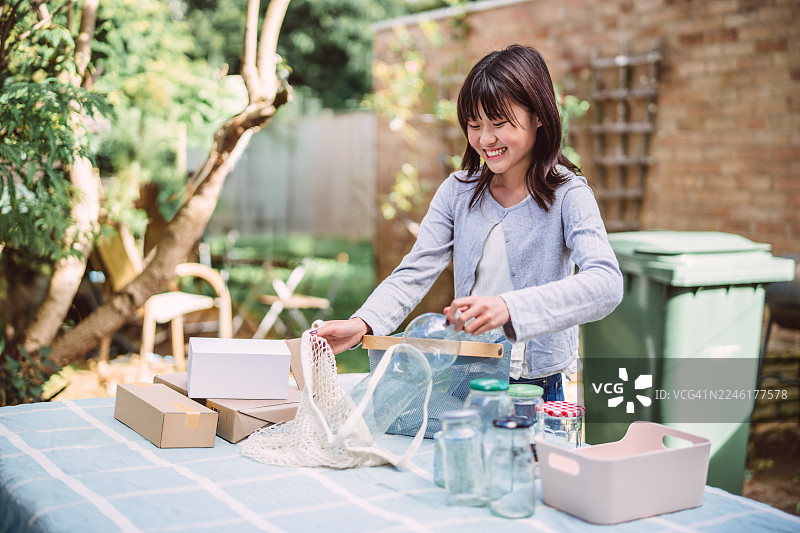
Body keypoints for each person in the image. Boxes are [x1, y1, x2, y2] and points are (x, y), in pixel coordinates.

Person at [315, 44, 623, 401]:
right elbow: (415, 270)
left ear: (538, 116)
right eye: (474, 125)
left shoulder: (568, 195)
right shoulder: (458, 192)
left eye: (499, 123)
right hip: (467, 380)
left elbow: (606, 284)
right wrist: (361, 323)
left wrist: (509, 307)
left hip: (534, 389)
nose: (485, 139)